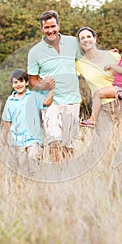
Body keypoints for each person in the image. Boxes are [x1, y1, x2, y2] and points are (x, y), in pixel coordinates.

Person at [27, 10, 82, 161]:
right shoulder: (35, 52)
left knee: (69, 144)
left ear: (59, 25)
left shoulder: (73, 43)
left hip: (72, 99)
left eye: (53, 26)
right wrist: (42, 85)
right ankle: (56, 173)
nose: (50, 30)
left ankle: (68, 172)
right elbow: (32, 81)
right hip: (51, 102)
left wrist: (108, 55)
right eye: (46, 27)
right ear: (42, 29)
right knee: (54, 140)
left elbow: (87, 60)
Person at [75, 27, 122, 133]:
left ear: (95, 39)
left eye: (89, 36)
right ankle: (93, 120)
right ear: (80, 43)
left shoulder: (113, 55)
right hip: (101, 107)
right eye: (82, 38)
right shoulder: (80, 64)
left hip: (120, 104)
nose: (86, 40)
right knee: (104, 144)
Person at [2, 68, 54, 164]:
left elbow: (46, 102)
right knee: (22, 169)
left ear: (26, 82)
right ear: (12, 85)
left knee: (34, 167)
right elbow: (6, 122)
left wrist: (51, 90)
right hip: (17, 142)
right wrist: (5, 139)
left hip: (34, 140)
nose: (18, 84)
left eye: (21, 81)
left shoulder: (33, 96)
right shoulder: (10, 101)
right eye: (15, 82)